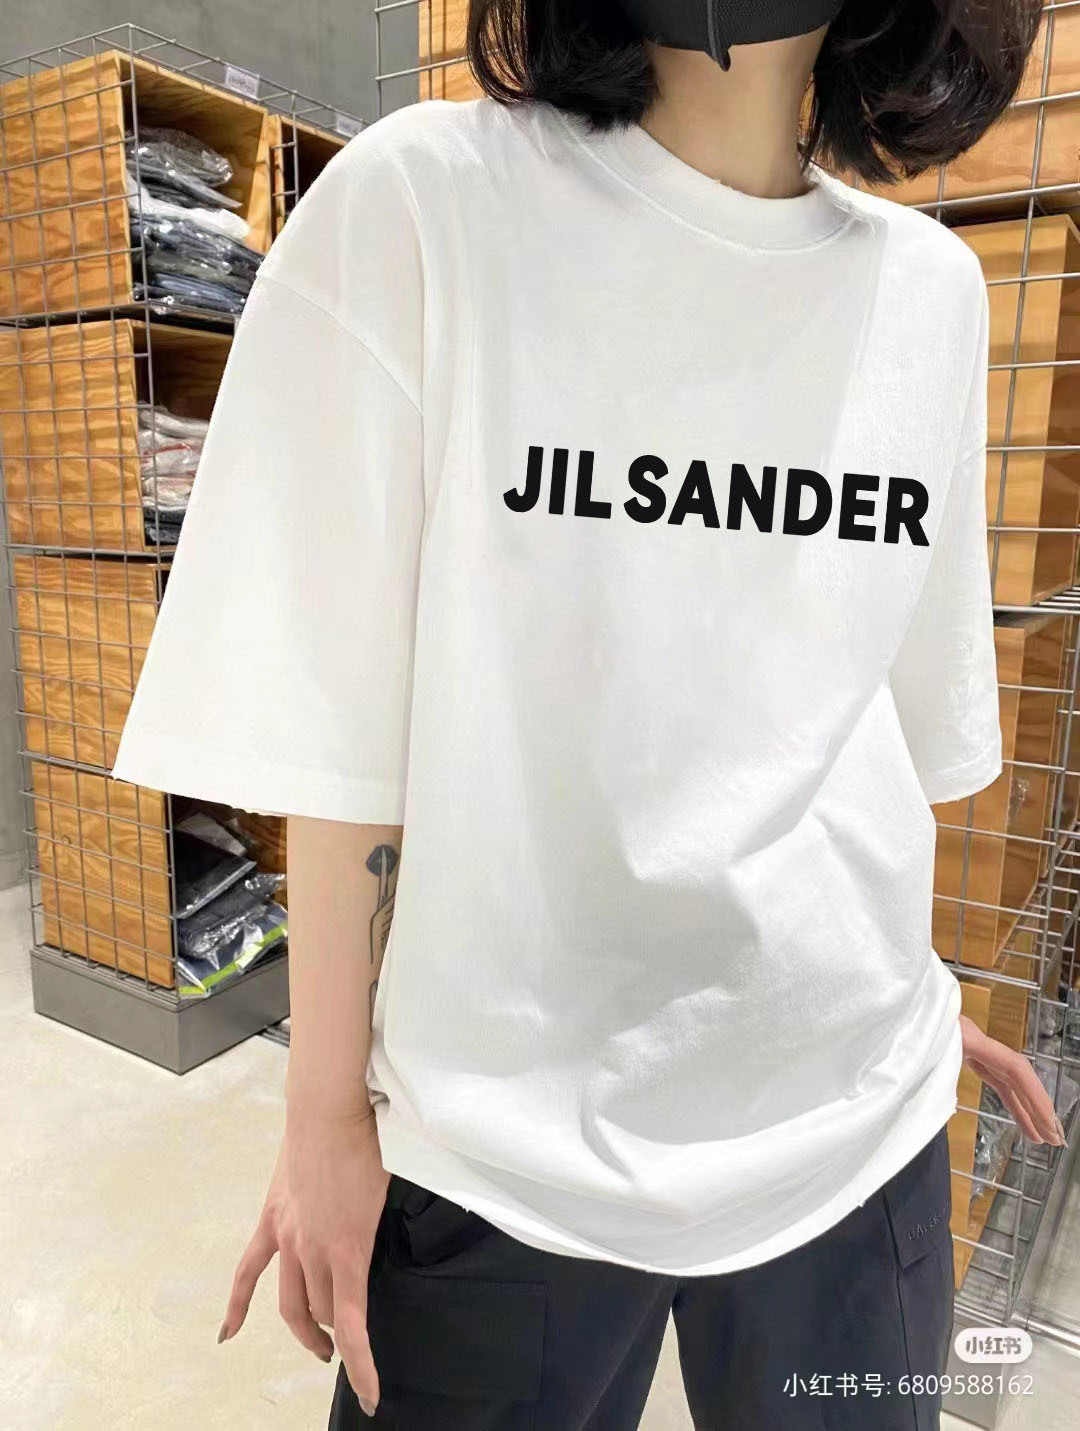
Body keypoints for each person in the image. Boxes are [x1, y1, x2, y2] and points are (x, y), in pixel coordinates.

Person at [110, 1, 1065, 1427]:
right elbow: (338, 735)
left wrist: (905, 1007)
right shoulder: (426, 203)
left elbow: (863, 728)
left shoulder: (928, 292)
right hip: (505, 1153)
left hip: (858, 1132)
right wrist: (324, 1115)